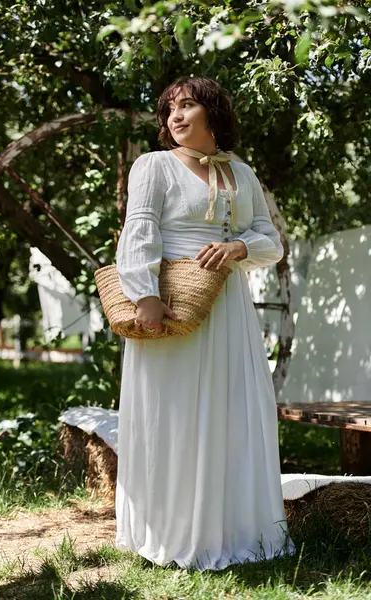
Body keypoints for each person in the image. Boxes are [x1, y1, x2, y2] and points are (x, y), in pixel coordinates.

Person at [115, 76, 295, 571]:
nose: (175, 115)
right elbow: (139, 231)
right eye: (169, 108)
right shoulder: (152, 166)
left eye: (188, 105)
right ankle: (170, 531)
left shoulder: (241, 172)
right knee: (172, 413)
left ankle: (231, 528)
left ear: (212, 113)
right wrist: (145, 296)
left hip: (228, 307)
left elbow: (269, 240)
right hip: (172, 302)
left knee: (229, 410)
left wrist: (240, 246)